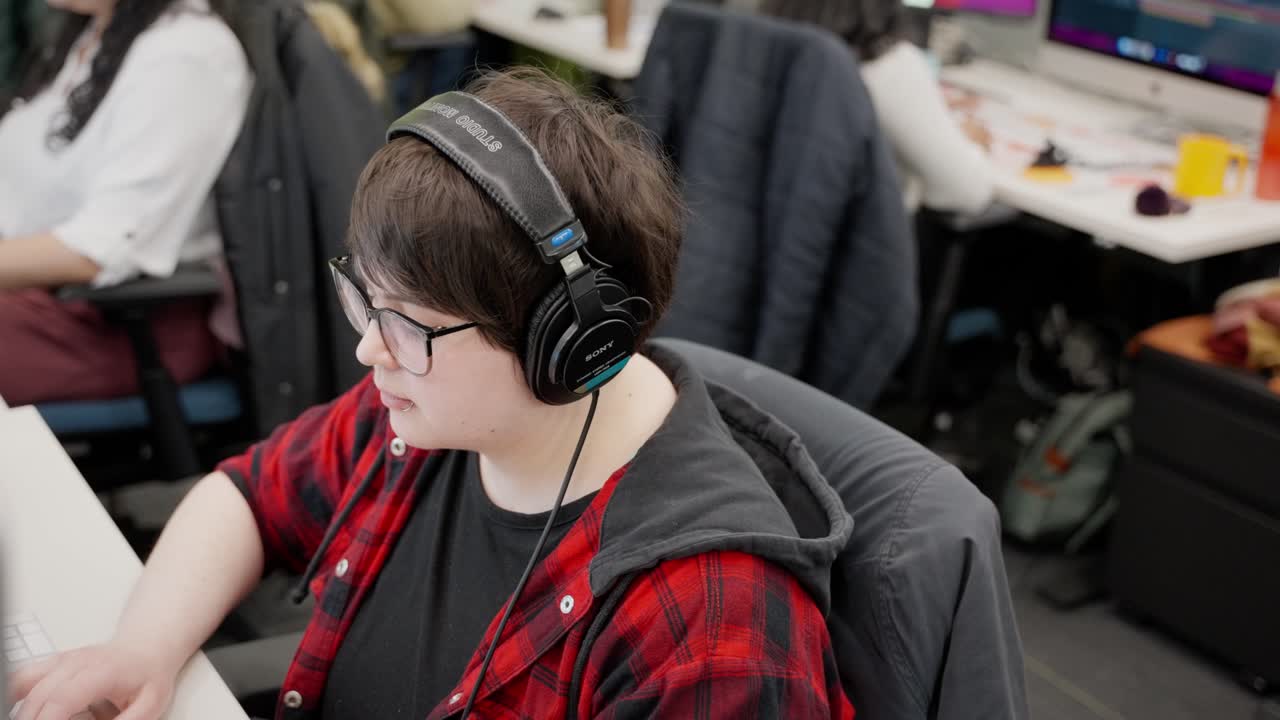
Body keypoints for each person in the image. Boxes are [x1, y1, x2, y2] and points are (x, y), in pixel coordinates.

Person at [8, 69, 856, 719]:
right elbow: (249, 495)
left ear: (566, 346)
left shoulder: (710, 624)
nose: (367, 346)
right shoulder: (427, 414)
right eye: (362, 299)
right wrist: (143, 650)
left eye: (409, 323)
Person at [0, 0, 251, 406]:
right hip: (39, 302)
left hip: (118, 325)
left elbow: (99, 248)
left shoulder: (184, 51)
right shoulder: (92, 34)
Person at [760, 0, 995, 215]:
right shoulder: (886, 64)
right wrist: (974, 144)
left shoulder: (762, 47)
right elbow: (968, 192)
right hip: (857, 248)